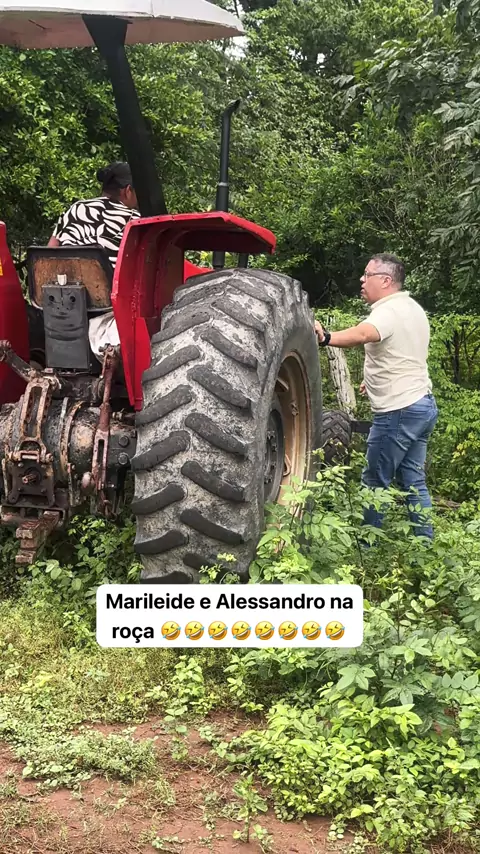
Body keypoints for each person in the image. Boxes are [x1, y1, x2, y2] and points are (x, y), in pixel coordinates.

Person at [315, 253, 438, 539]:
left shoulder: (388, 311)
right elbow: (402, 352)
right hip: (421, 404)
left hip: (398, 411)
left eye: (367, 274)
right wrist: (371, 380)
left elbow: (363, 334)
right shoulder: (412, 308)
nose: (362, 280)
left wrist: (327, 337)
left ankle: (367, 546)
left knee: (374, 480)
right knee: (413, 480)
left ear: (385, 280)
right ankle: (425, 543)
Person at [48, 162, 140, 357]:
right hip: (107, 305)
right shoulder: (134, 220)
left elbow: (49, 255)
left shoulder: (76, 208)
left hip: (63, 301)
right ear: (128, 191)